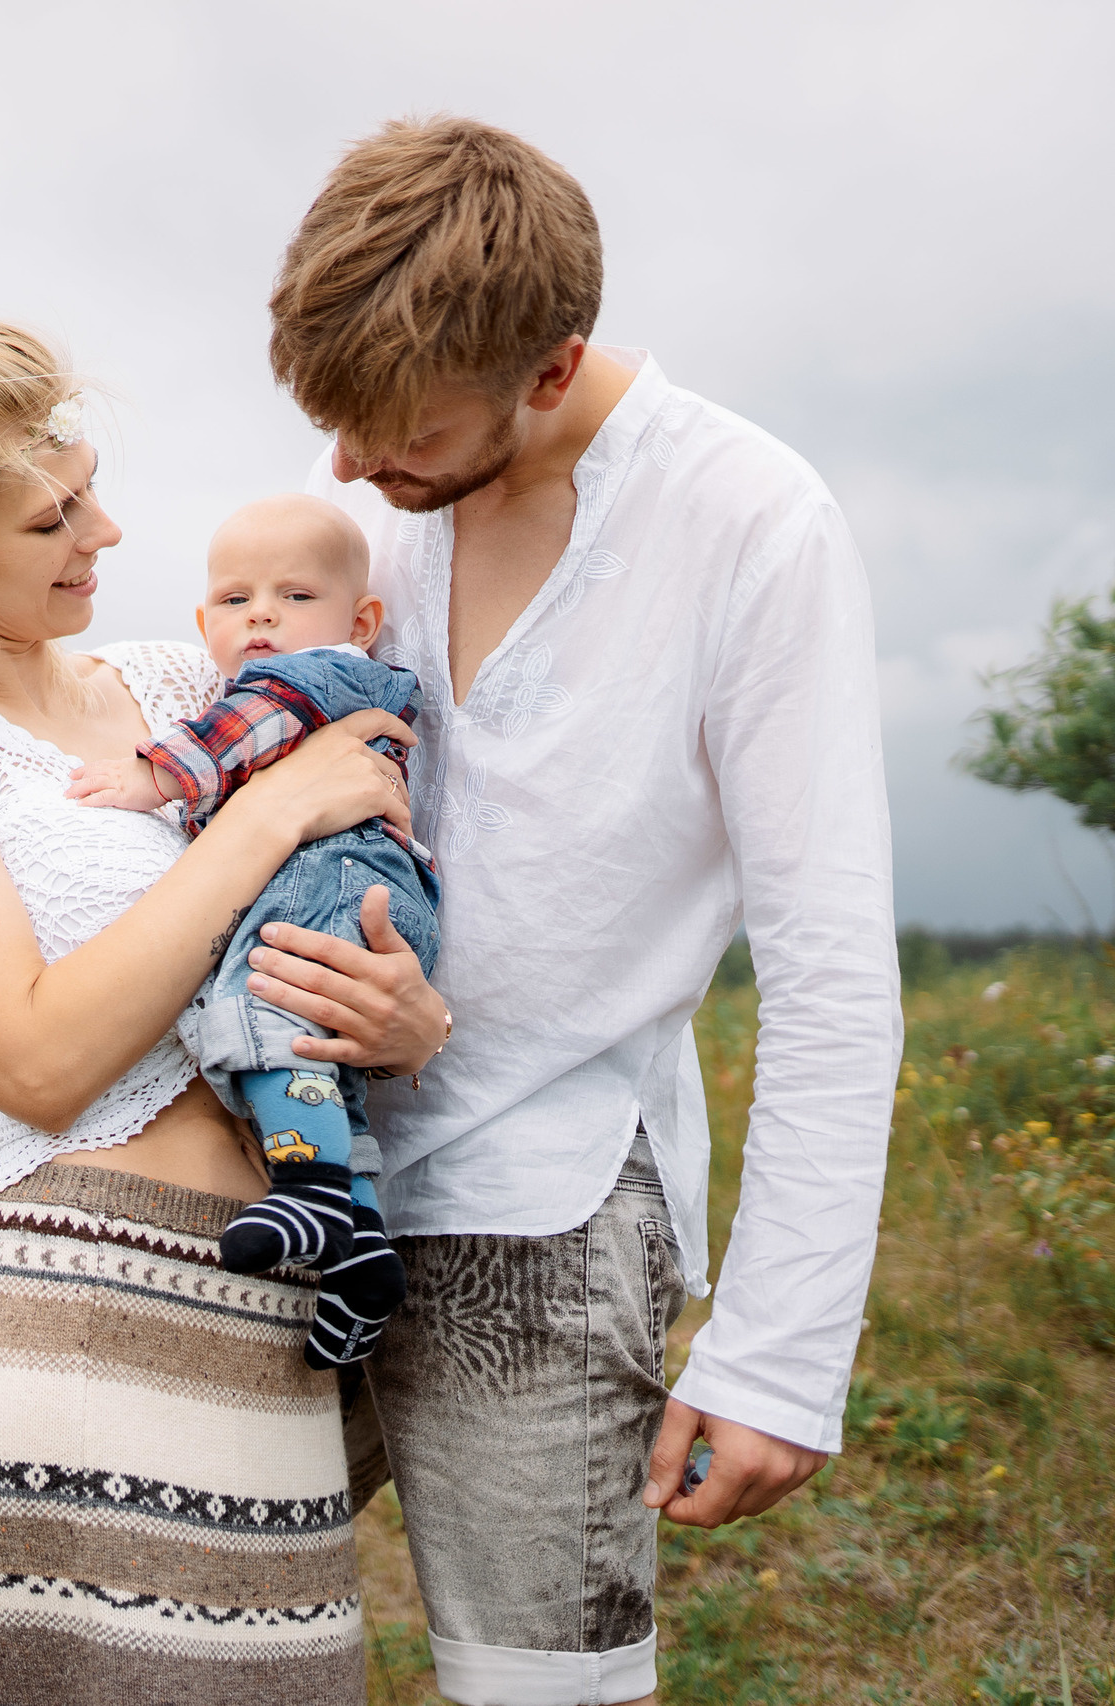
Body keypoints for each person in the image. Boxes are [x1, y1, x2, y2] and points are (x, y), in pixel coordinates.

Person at [267, 116, 903, 1704]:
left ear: (551, 369)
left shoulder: (753, 522)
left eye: (393, 430)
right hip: (300, 1171)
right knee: (176, 1647)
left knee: (537, 1689)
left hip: (547, 1208)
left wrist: (780, 1350)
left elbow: (830, 966)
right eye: (331, 420)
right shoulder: (370, 499)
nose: (348, 466)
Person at [0, 305, 450, 1705]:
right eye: (52, 523)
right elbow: (34, 1055)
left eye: (89, 492)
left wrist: (408, 1020)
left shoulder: (170, 681)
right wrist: (262, 817)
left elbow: (358, 843)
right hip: (62, 1320)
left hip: (265, 1312)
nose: (103, 534)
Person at [65, 495, 438, 1367]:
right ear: (204, 622)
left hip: (333, 880)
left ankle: (307, 1188)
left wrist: (155, 776)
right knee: (322, 1067)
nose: (263, 613)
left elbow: (245, 730)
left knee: (264, 1008)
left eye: (295, 594)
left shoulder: (323, 675)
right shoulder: (268, 675)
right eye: (236, 600)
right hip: (355, 886)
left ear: (361, 619)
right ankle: (361, 1247)